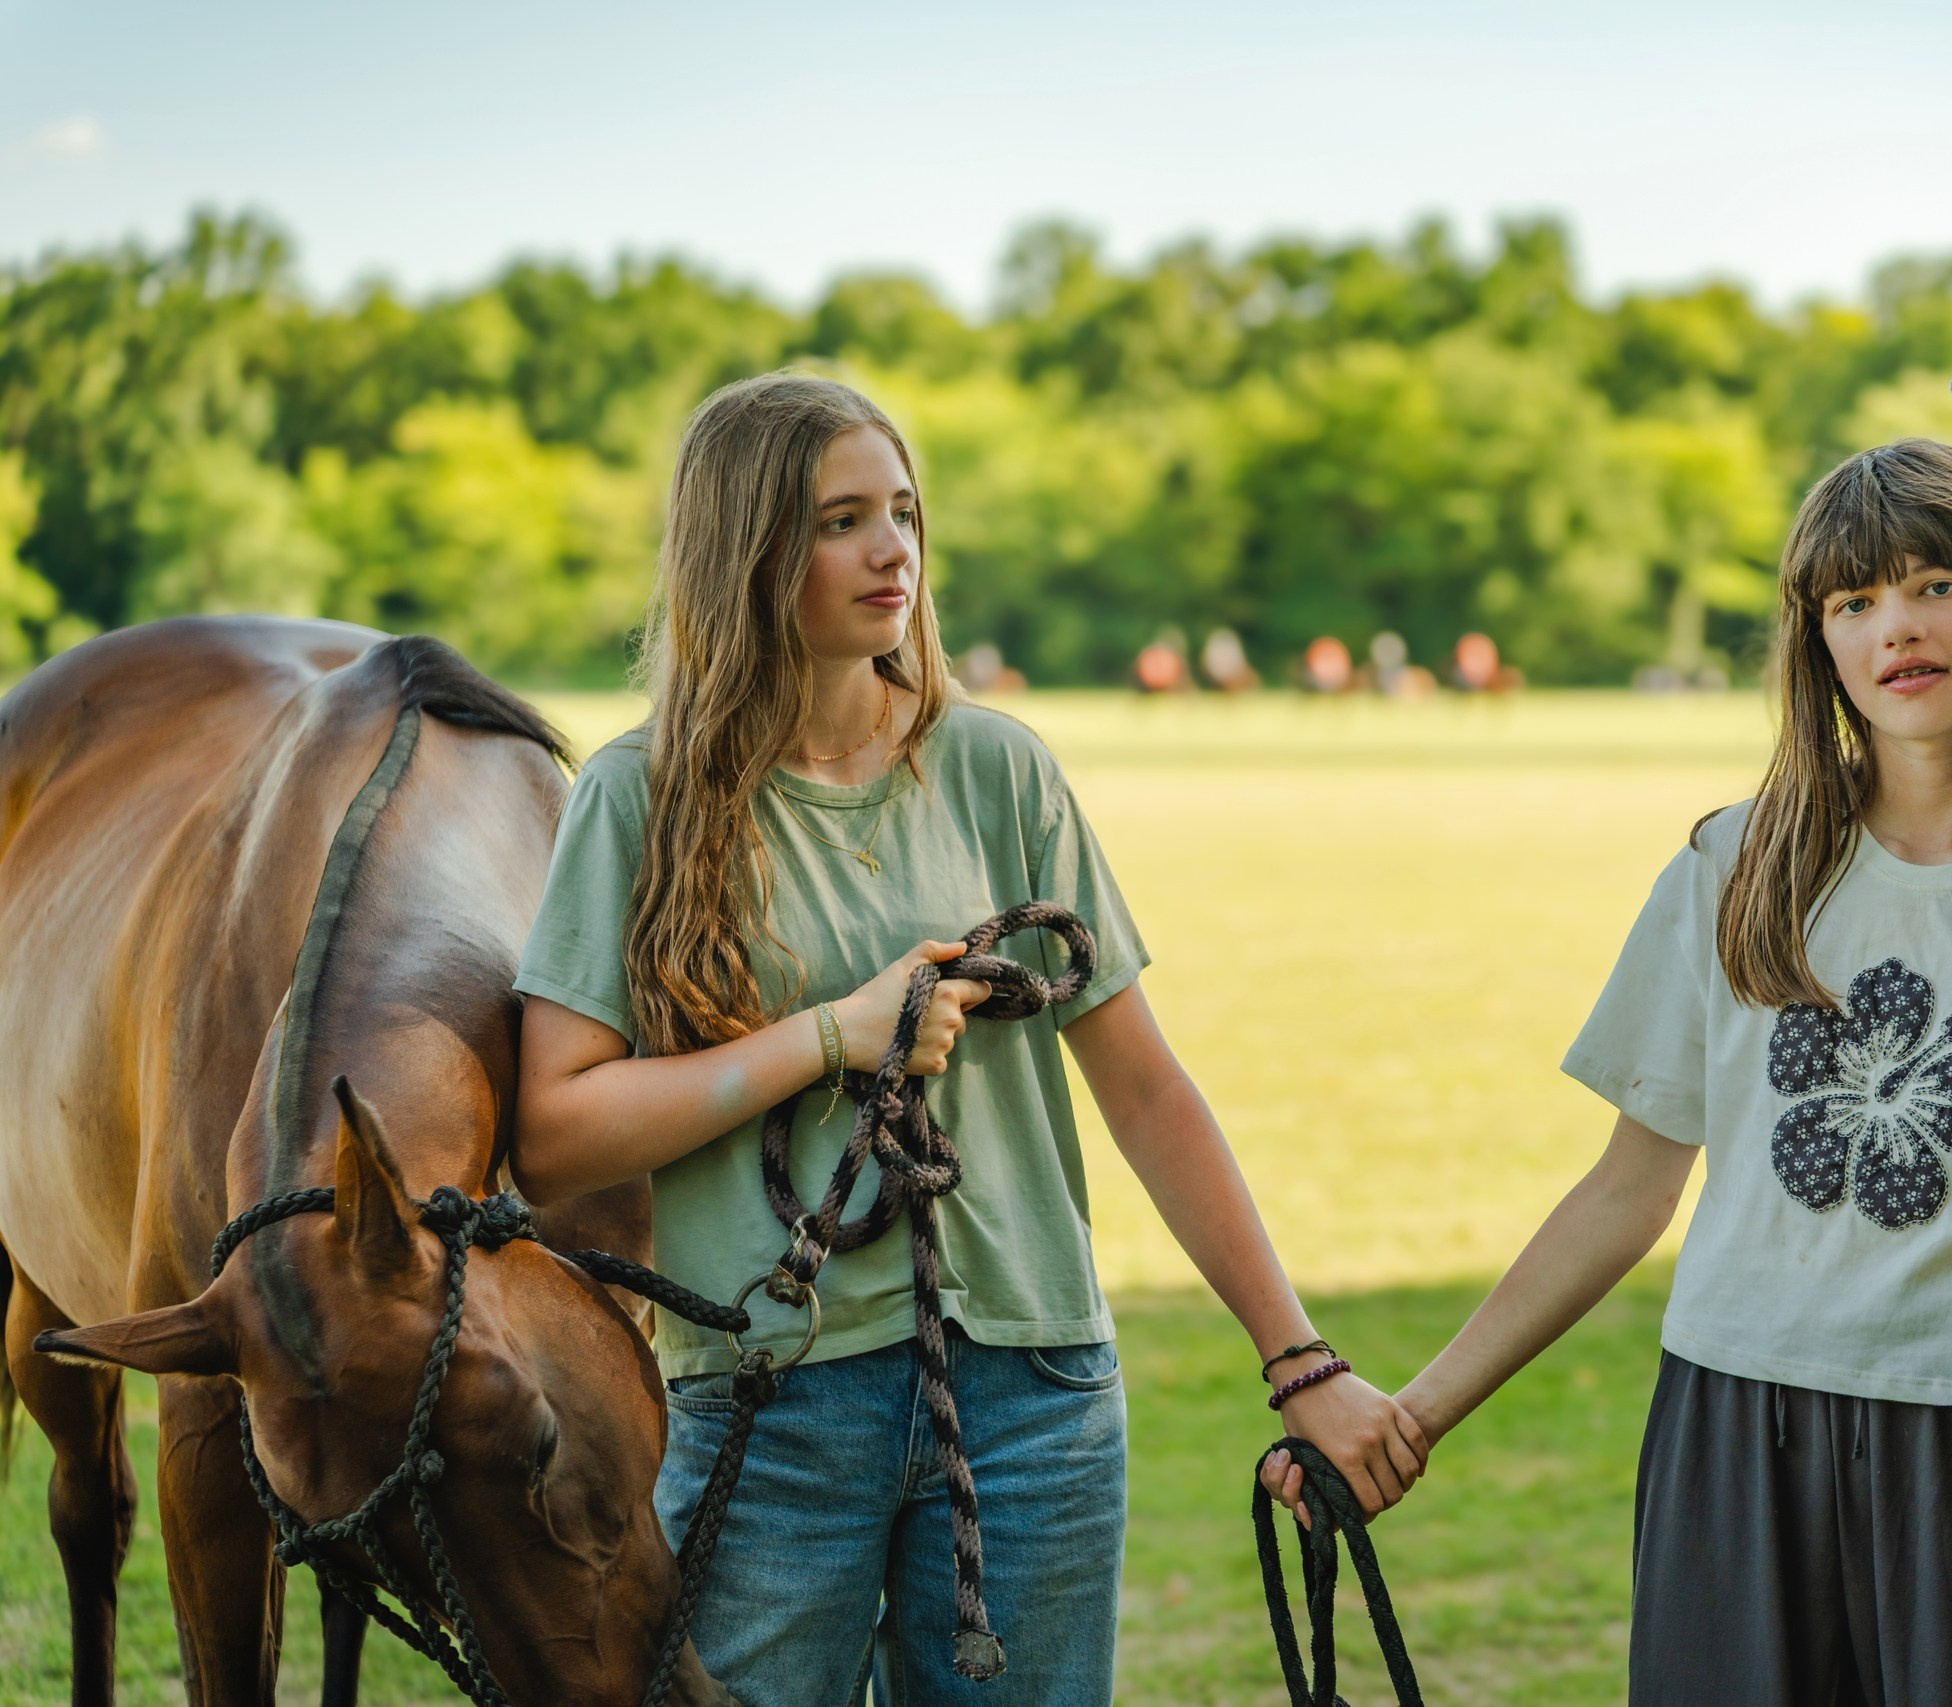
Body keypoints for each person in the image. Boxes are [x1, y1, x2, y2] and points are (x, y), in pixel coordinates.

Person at [1265, 438, 1952, 1705]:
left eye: (1935, 584)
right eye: (1851, 603)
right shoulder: (1734, 868)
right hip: (1736, 1429)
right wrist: (1411, 1418)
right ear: (1815, 641)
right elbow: (1625, 1193)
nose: (1894, 628)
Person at [511, 372, 1427, 1707]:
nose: (893, 551)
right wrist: (831, 1034)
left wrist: (1300, 1359)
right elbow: (558, 1125)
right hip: (770, 1398)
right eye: (840, 520)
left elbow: (1149, 1091)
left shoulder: (1000, 770)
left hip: (1030, 1394)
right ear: (746, 549)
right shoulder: (635, 796)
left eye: (904, 512)